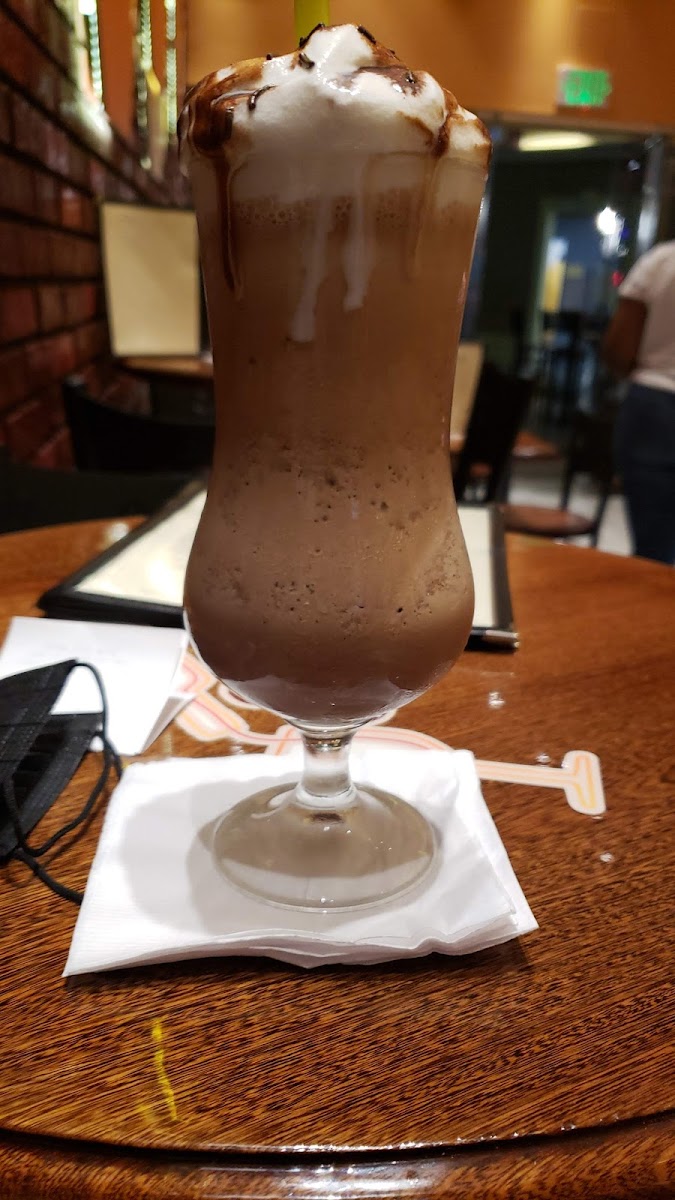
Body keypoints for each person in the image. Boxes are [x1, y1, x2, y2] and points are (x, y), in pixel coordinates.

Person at [602, 240, 675, 564]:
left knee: (654, 554)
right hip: (655, 411)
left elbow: (619, 349)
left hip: (655, 405)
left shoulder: (662, 261)